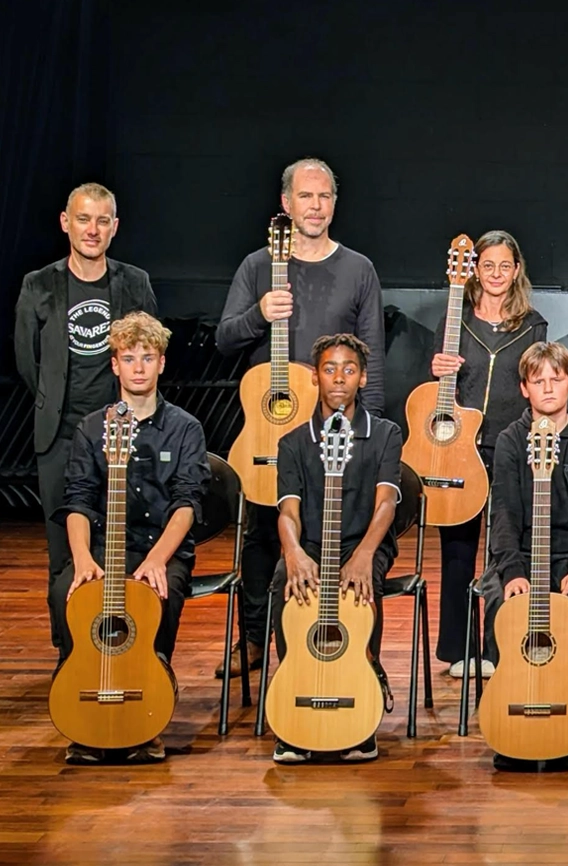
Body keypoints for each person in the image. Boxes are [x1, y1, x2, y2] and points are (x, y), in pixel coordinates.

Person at [217, 157, 386, 679]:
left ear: (335, 204)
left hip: (335, 429)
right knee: (262, 536)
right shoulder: (257, 266)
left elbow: (372, 356)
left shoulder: (358, 269)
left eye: (324, 197)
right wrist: (258, 314)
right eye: (305, 197)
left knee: (330, 531)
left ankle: (350, 654)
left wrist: (370, 429)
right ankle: (252, 641)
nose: (315, 207)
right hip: (272, 426)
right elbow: (225, 338)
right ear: (286, 205)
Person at [54, 312, 208, 764]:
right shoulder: (90, 428)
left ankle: (147, 714)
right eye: (128, 358)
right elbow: (78, 500)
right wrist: (82, 559)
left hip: (160, 548)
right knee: (67, 591)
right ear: (114, 366)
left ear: (161, 363)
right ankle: (84, 710)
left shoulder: (185, 429)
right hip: (104, 547)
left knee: (155, 598)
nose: (138, 367)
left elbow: (187, 504)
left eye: (147, 357)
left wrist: (160, 559)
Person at [16, 182, 158, 657]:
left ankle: (123, 648)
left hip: (123, 431)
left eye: (102, 220)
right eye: (83, 219)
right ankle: (71, 652)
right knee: (65, 552)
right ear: (65, 222)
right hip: (59, 437)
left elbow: (148, 349)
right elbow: (26, 361)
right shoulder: (38, 284)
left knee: (123, 539)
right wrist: (61, 406)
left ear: (114, 227)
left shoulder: (134, 282)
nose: (92, 229)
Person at [271, 334, 401, 763]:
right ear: (315, 377)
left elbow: (385, 502)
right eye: (329, 369)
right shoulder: (292, 442)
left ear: (362, 378)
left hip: (365, 543)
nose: (339, 378)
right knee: (284, 584)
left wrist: (364, 555)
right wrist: (293, 553)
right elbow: (288, 511)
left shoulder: (384, 434)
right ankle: (295, 700)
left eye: (349, 369)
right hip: (311, 545)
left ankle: (361, 700)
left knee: (359, 593)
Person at [481, 341, 568, 772]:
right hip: (519, 556)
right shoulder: (510, 441)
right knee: (502, 603)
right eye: (539, 381)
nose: (549, 388)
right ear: (524, 389)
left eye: (557, 379)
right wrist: (513, 571)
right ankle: (511, 706)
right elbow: (503, 513)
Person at [428, 230, 548, 678]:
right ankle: (461, 649)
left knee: (506, 548)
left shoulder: (533, 325)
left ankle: (499, 645)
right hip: (459, 450)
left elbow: (540, 384)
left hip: (511, 448)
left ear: (516, 270)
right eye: (488, 265)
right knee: (457, 551)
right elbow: (439, 387)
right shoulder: (455, 320)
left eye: (504, 265)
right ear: (475, 270)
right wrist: (437, 367)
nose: (496, 274)